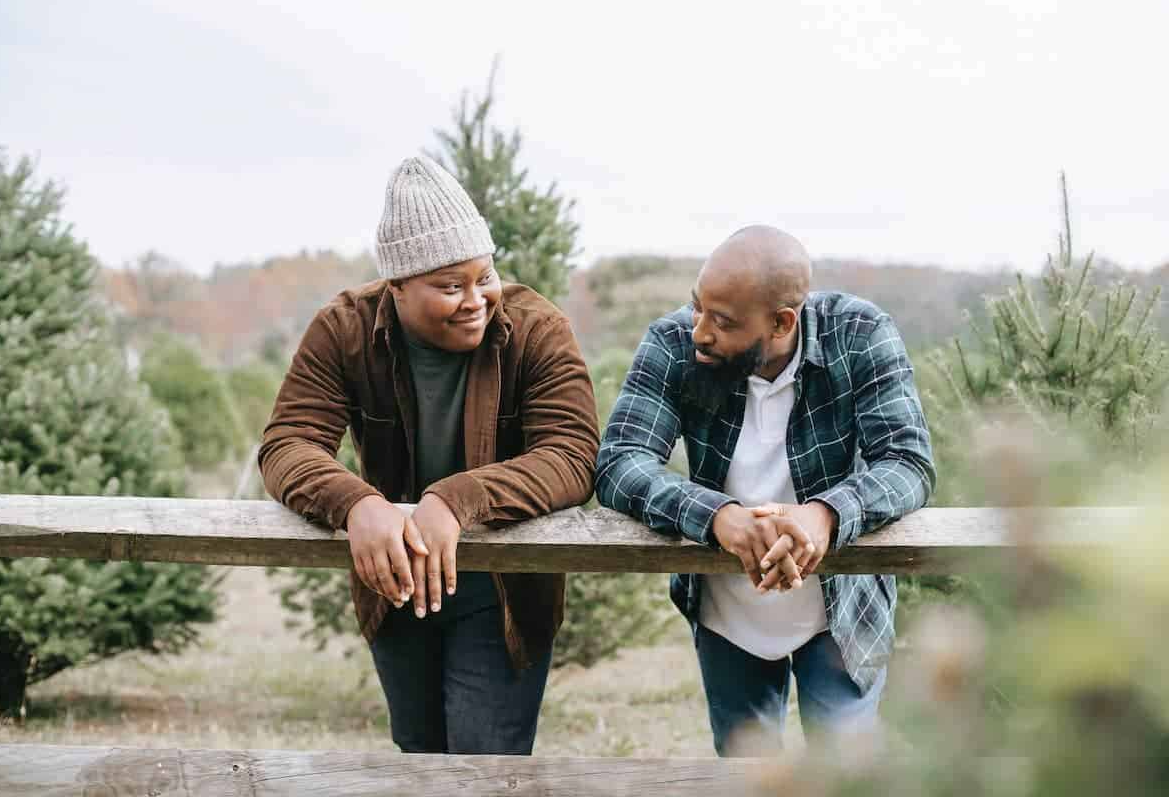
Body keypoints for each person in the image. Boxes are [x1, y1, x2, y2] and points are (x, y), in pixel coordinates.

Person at [259, 156, 599, 754]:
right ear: (396, 288)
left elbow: (572, 454)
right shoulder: (344, 329)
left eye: (485, 276)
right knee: (418, 759)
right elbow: (288, 442)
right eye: (449, 285)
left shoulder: (537, 328)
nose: (476, 300)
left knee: (483, 766)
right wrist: (357, 505)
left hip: (504, 591)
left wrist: (456, 499)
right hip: (394, 581)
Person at [595, 225, 935, 756]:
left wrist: (824, 515)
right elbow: (619, 462)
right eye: (697, 308)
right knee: (745, 775)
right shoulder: (672, 343)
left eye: (723, 321)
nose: (700, 331)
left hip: (842, 607)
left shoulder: (863, 334)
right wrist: (718, 517)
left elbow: (908, 461)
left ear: (781, 323)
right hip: (726, 608)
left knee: (846, 774)